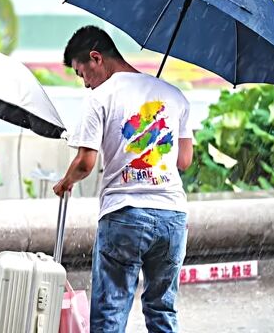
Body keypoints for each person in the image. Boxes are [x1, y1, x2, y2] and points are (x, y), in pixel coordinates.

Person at [53, 26, 194, 333]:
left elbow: (85, 163)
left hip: (125, 215)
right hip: (172, 217)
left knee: (110, 313)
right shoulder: (174, 95)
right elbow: (184, 160)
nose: (85, 83)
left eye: (82, 74)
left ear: (95, 58)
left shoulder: (99, 97)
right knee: (162, 310)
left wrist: (65, 182)